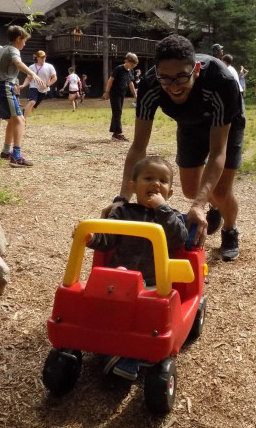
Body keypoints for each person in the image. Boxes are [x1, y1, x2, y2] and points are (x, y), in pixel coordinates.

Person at [112, 34, 245, 261]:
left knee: (221, 192)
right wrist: (122, 199)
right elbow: (138, 147)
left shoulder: (221, 81)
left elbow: (218, 151)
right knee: (191, 190)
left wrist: (199, 206)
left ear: (195, 70)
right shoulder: (150, 85)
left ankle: (230, 230)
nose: (173, 87)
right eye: (165, 78)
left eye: (181, 77)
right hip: (189, 124)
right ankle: (213, 206)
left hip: (226, 125)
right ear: (156, 73)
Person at [84, 155, 187, 380]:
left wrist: (163, 209)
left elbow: (179, 239)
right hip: (119, 279)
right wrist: (92, 237)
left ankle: (130, 354)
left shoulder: (172, 216)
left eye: (163, 181)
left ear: (169, 193)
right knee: (105, 311)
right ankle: (111, 348)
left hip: (153, 282)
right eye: (148, 178)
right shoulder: (123, 212)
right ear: (133, 186)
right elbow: (107, 239)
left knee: (146, 318)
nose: (156, 184)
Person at [0, 25, 41, 167]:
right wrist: (32, 74)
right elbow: (17, 63)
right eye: (24, 41)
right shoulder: (13, 50)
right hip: (4, 87)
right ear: (18, 39)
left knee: (12, 121)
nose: (24, 44)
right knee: (20, 120)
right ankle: (17, 156)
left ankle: (6, 151)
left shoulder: (2, 49)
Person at [103, 52, 138, 141]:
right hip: (114, 93)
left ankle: (114, 132)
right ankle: (118, 134)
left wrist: (135, 95)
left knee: (117, 112)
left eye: (134, 65)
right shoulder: (118, 69)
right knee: (117, 112)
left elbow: (130, 83)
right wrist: (107, 92)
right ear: (126, 61)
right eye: (132, 64)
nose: (133, 66)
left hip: (122, 94)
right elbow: (110, 80)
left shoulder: (131, 71)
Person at [22, 50, 57, 117]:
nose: (43, 59)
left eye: (44, 57)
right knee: (32, 102)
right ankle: (23, 121)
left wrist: (47, 85)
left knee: (33, 107)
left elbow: (54, 78)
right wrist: (23, 85)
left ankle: (23, 113)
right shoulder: (31, 67)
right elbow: (28, 78)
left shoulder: (50, 66)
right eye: (41, 57)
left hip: (44, 89)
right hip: (33, 86)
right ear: (37, 57)